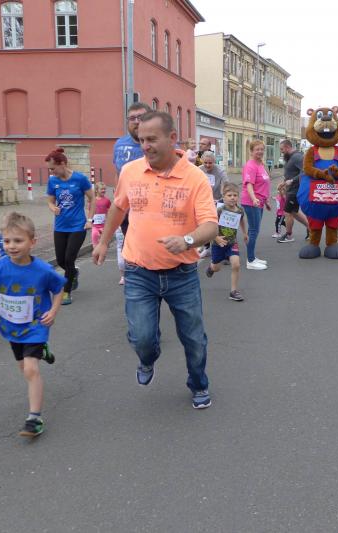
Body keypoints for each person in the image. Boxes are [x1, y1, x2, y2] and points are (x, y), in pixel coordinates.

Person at [92, 111, 218, 409]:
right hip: (139, 271)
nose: (145, 146)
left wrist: (187, 240)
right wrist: (104, 242)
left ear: (172, 138)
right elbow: (118, 207)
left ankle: (198, 383)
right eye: (141, 140)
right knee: (143, 338)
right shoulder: (131, 171)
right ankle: (147, 358)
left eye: (151, 139)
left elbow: (211, 225)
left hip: (182, 274)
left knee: (193, 338)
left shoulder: (195, 177)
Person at [0, 212, 65, 438]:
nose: (11, 246)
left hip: (36, 326)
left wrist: (53, 311)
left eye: (18, 241)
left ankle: (34, 418)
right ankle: (41, 351)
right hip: (11, 327)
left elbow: (59, 288)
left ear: (32, 242)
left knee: (30, 369)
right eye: (7, 241)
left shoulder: (43, 270)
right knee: (24, 369)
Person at [45, 148, 93, 305]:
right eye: (49, 169)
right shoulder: (53, 181)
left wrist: (90, 219)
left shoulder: (80, 179)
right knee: (61, 260)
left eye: (53, 168)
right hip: (60, 226)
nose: (51, 172)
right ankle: (73, 273)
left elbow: (92, 199)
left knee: (69, 259)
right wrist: (53, 208)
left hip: (78, 226)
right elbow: (50, 201)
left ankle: (66, 292)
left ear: (63, 164)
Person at [113, 102, 152, 237]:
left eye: (140, 117)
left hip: (152, 213)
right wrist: (118, 198)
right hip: (126, 211)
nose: (136, 121)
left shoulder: (163, 144)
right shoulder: (119, 144)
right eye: (132, 118)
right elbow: (118, 173)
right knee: (130, 246)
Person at [205, 182, 248, 301]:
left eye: (235, 195)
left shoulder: (240, 210)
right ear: (223, 197)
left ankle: (233, 291)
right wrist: (216, 238)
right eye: (229, 195)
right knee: (216, 268)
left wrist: (245, 233)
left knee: (236, 264)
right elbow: (211, 224)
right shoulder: (219, 210)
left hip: (232, 243)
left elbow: (241, 220)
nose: (232, 198)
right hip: (218, 243)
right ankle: (211, 268)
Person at [241, 139, 273, 270]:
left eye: (261, 149)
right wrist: (254, 199)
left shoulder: (260, 164)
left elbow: (264, 184)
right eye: (257, 149)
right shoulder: (250, 165)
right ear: (251, 151)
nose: (260, 151)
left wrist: (267, 201)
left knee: (254, 230)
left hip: (259, 202)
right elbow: (249, 185)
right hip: (251, 202)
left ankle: (252, 257)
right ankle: (250, 260)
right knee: (254, 230)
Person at [277, 139, 309, 243]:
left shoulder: (297, 157)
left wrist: (292, 180)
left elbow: (306, 171)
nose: (281, 152)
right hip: (290, 189)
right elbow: (290, 173)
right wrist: (283, 183)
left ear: (287, 147)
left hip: (295, 190)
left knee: (287, 212)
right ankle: (311, 228)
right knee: (294, 212)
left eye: (282, 149)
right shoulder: (290, 157)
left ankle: (288, 235)